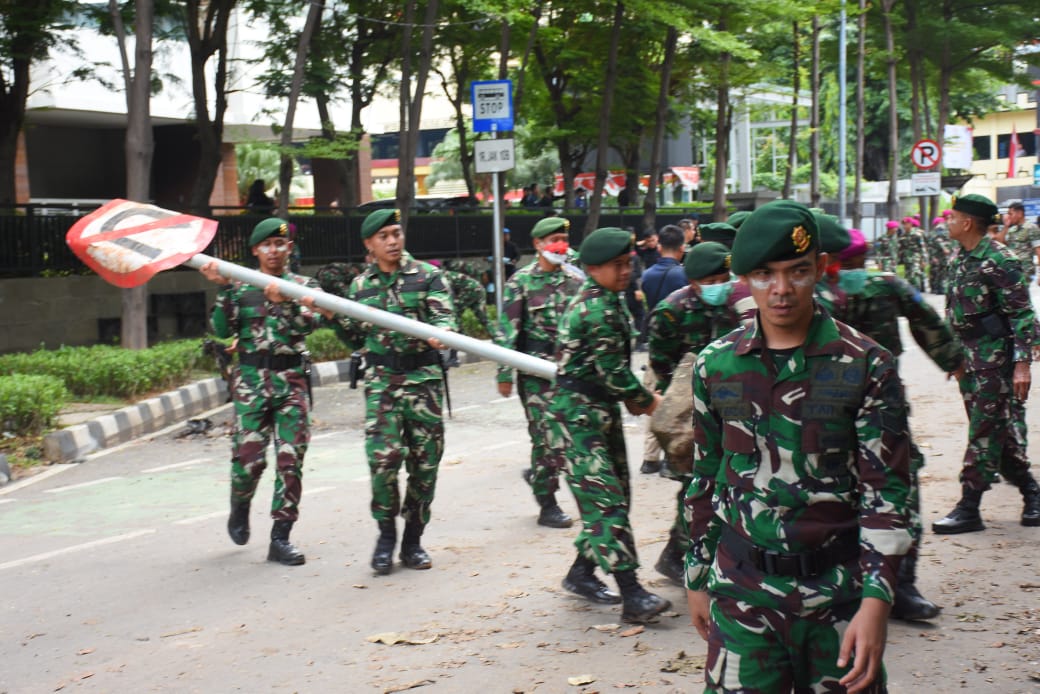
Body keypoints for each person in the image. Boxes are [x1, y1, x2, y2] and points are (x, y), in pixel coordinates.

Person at [685, 199, 913, 693]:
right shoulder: (715, 365)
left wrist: (877, 601)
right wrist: (697, 571)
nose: (782, 289)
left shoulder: (866, 365)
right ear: (743, 277)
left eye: (798, 271)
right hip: (742, 592)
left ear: (822, 269)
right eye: (765, 274)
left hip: (838, 596)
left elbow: (888, 491)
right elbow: (706, 475)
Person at [816, 224, 964, 622]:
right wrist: (954, 362)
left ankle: (898, 585)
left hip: (880, 406)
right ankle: (856, 585)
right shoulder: (803, 294)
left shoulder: (884, 285)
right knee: (847, 492)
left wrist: (954, 362)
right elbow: (926, 318)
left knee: (896, 487)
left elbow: (923, 316)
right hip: (820, 413)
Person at [319, 208, 457, 574]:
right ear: (369, 244)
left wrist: (439, 333)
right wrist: (334, 318)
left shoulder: (428, 276)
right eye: (384, 236)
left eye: (396, 233)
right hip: (382, 384)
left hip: (423, 383)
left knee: (425, 465)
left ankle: (413, 539)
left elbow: (445, 317)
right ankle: (385, 536)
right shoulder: (360, 287)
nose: (393, 241)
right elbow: (354, 335)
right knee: (382, 463)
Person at [547, 227, 669, 624]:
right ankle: (632, 593)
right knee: (606, 502)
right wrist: (651, 402)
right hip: (576, 416)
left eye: (627, 263)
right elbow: (614, 372)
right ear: (593, 268)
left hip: (597, 411)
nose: (625, 271)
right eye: (616, 265)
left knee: (614, 496)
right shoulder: (597, 307)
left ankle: (581, 572)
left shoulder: (610, 299)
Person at [199, 217, 323, 566]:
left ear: (289, 248)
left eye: (280, 244)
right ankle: (240, 504)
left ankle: (280, 538)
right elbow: (220, 328)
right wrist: (222, 288)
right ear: (256, 250)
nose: (274, 250)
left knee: (291, 460)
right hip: (251, 384)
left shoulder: (302, 285)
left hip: (292, 383)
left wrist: (284, 302)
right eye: (267, 245)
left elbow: (312, 322)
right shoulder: (240, 287)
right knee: (249, 461)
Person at [933, 194, 1040, 534]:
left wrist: (1022, 365)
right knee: (998, 433)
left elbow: (1023, 314)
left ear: (966, 223)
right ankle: (1032, 492)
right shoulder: (960, 257)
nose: (947, 222)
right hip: (968, 359)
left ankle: (969, 506)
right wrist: (953, 357)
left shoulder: (1000, 259)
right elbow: (955, 310)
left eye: (952, 217)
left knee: (982, 431)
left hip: (996, 361)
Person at [645, 241, 741, 585]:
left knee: (719, 482)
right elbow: (661, 363)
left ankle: (680, 553)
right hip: (690, 411)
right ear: (695, 281)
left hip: (732, 404)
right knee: (694, 483)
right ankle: (683, 557)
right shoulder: (671, 311)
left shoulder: (736, 302)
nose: (721, 284)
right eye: (713, 279)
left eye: (725, 276)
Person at [495, 216, 583, 529]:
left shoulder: (576, 279)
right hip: (536, 377)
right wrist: (504, 373)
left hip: (571, 373)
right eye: (553, 239)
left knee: (572, 438)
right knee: (547, 439)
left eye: (564, 238)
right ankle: (547, 503)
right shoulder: (521, 282)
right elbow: (507, 331)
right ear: (537, 244)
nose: (560, 245)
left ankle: (540, 476)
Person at [637, 224, 689, 474]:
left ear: (659, 246)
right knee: (678, 401)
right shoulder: (684, 276)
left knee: (655, 396)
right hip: (680, 347)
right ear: (682, 248)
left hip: (654, 343)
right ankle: (672, 456)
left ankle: (650, 458)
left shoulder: (647, 275)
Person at [1004, 201, 1040, 284]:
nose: (1009, 217)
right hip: (1012, 270)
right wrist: (1006, 226)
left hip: (1025, 271)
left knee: (1021, 294)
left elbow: (1038, 251)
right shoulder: (1011, 230)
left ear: (1019, 213)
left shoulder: (1031, 228)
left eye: (1011, 214)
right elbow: (1003, 246)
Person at [899, 216, 928, 291]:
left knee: (915, 275)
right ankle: (911, 292)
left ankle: (917, 291)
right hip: (907, 259)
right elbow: (901, 249)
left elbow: (922, 247)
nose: (904, 226)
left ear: (910, 224)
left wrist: (924, 259)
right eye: (903, 224)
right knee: (908, 276)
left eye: (906, 224)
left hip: (916, 258)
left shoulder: (917, 234)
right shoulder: (903, 236)